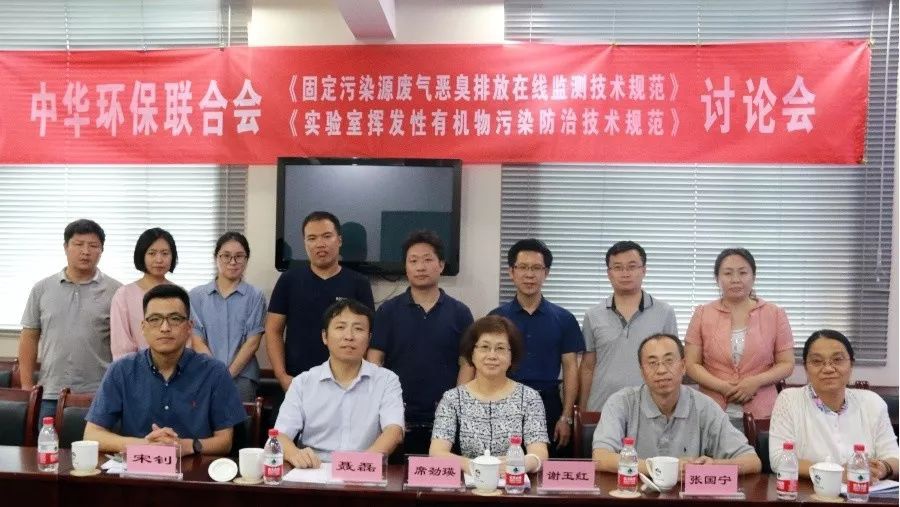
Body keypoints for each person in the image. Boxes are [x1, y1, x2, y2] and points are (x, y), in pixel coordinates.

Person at [84, 284, 246, 455]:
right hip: (139, 467)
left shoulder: (214, 372)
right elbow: (92, 434)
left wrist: (186, 446)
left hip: (195, 467)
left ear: (189, 327)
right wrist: (145, 445)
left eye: (174, 319)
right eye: (155, 319)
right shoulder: (121, 370)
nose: (165, 328)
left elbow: (225, 441)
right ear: (143, 327)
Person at [366, 230, 474, 455]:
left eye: (427, 260)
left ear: (441, 265)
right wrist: (381, 405)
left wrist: (454, 406)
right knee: (396, 476)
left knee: (442, 474)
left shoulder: (460, 313)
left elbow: (467, 364)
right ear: (406, 267)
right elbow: (375, 360)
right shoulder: (388, 311)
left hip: (445, 421)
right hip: (397, 419)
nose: (420, 267)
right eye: (413, 261)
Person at [593, 333, 761, 476]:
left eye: (669, 361)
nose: (661, 370)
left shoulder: (704, 407)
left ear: (683, 366)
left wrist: (713, 466)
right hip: (634, 495)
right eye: (652, 363)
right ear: (642, 372)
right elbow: (600, 457)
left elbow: (752, 461)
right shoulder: (621, 403)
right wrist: (659, 469)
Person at [274, 299, 404, 468]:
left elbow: (394, 431)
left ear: (369, 338)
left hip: (365, 470)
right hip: (314, 470)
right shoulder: (303, 383)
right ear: (324, 336)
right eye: (340, 327)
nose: (349, 336)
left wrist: (360, 465)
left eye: (358, 329)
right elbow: (280, 435)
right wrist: (295, 454)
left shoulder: (386, 380)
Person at [18, 219, 122, 425]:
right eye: (78, 244)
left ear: (101, 250)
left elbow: (123, 345)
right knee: (48, 445)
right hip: (50, 393)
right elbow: (29, 337)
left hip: (100, 393)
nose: (86, 251)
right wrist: (27, 386)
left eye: (93, 246)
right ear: (66, 247)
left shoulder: (117, 291)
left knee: (99, 446)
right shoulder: (42, 289)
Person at [488, 239, 583, 457]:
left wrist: (566, 417)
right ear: (511, 272)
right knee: (504, 465)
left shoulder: (564, 319)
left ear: (546, 273)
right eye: (523, 267)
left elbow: (571, 368)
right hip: (505, 401)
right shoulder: (496, 318)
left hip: (548, 404)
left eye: (536, 268)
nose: (529, 275)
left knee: (548, 467)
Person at [769, 330, 898, 481]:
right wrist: (837, 473)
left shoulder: (872, 402)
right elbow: (779, 460)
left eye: (837, 360)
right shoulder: (789, 400)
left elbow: (895, 457)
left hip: (864, 491)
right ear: (806, 368)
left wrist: (883, 468)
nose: (828, 369)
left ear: (851, 365)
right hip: (810, 492)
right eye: (817, 361)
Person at [266, 211, 374, 390]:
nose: (320, 244)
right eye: (312, 238)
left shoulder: (358, 283)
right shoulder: (289, 280)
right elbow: (273, 330)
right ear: (305, 243)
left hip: (346, 383)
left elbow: (368, 333)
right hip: (297, 381)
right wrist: (282, 376)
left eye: (327, 236)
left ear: (339, 240)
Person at [685, 248, 794, 425]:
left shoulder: (774, 314)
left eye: (743, 273)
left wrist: (755, 382)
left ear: (753, 277)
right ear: (717, 278)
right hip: (711, 408)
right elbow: (691, 364)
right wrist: (722, 387)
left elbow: (787, 364)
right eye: (728, 273)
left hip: (762, 412)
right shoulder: (702, 313)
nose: (735, 279)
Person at [430, 315, 549, 473]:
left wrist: (523, 463)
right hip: (468, 481)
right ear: (472, 353)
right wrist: (476, 467)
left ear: (511, 356)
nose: (492, 355)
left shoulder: (529, 398)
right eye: (485, 347)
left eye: (500, 348)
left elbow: (539, 453)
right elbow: (437, 452)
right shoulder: (452, 399)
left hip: (514, 479)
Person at [579, 241, 677, 414]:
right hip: (602, 407)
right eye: (617, 267)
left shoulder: (664, 312)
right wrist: (583, 410)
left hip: (652, 409)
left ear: (643, 270)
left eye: (632, 266)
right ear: (609, 273)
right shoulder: (593, 315)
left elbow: (673, 363)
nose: (625, 273)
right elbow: (587, 367)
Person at [189, 232, 266, 402]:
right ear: (216, 258)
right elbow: (197, 341)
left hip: (243, 378)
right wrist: (215, 374)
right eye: (226, 256)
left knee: (241, 419)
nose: (232, 262)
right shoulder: (196, 296)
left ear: (246, 259)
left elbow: (252, 343)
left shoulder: (256, 296)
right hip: (204, 376)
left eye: (239, 256)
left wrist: (227, 375)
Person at [110, 228, 177, 359]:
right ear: (142, 255)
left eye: (165, 253)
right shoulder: (124, 295)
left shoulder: (179, 294)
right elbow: (121, 346)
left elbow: (185, 338)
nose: (159, 259)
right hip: (134, 367)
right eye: (152, 253)